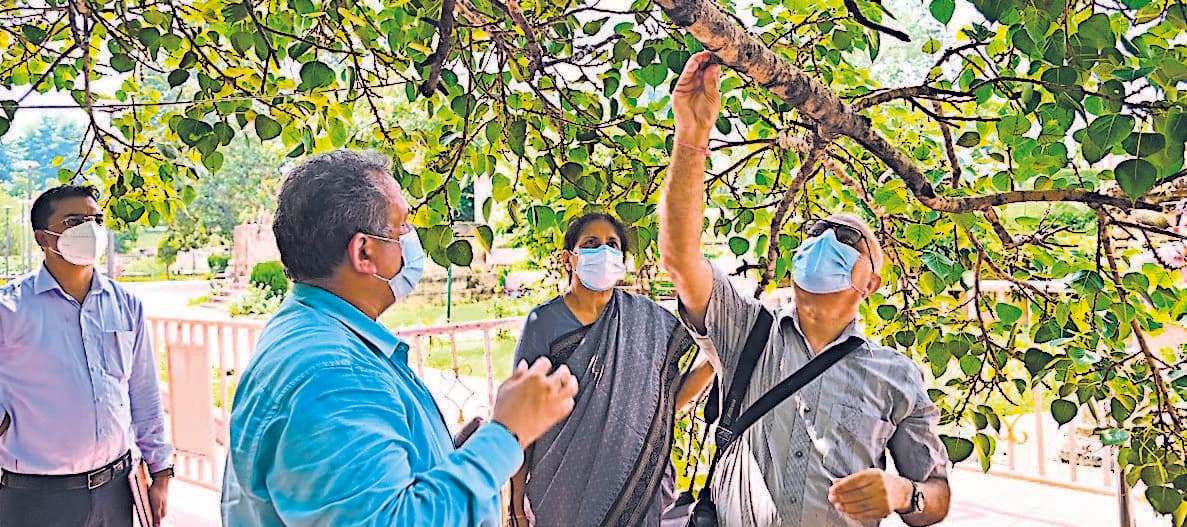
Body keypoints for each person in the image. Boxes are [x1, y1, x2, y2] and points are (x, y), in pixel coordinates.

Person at [658, 51, 952, 526]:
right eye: (813, 232)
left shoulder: (896, 375)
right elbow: (680, 259)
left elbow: (936, 499)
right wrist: (692, 136)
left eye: (847, 239)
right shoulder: (749, 334)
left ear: (870, 283)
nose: (823, 243)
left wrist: (903, 493)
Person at [220, 149, 579, 526]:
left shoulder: (306, 331)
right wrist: (507, 435)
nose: (412, 239)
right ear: (364, 251)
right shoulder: (334, 376)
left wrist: (447, 460)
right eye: (402, 227)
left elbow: (363, 495)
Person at [507, 212, 715, 527]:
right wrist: (515, 507)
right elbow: (519, 422)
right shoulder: (544, 323)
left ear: (622, 259)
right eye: (591, 244)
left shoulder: (646, 321)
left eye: (612, 244)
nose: (603, 251)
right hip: (560, 493)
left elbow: (664, 404)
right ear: (569, 259)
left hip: (630, 486)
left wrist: (718, 356)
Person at [0, 185, 174, 527]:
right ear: (43, 238)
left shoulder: (126, 305)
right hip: (34, 496)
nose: (90, 229)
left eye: (96, 219)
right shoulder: (10, 310)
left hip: (116, 490)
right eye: (75, 220)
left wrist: (161, 472)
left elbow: (143, 393)